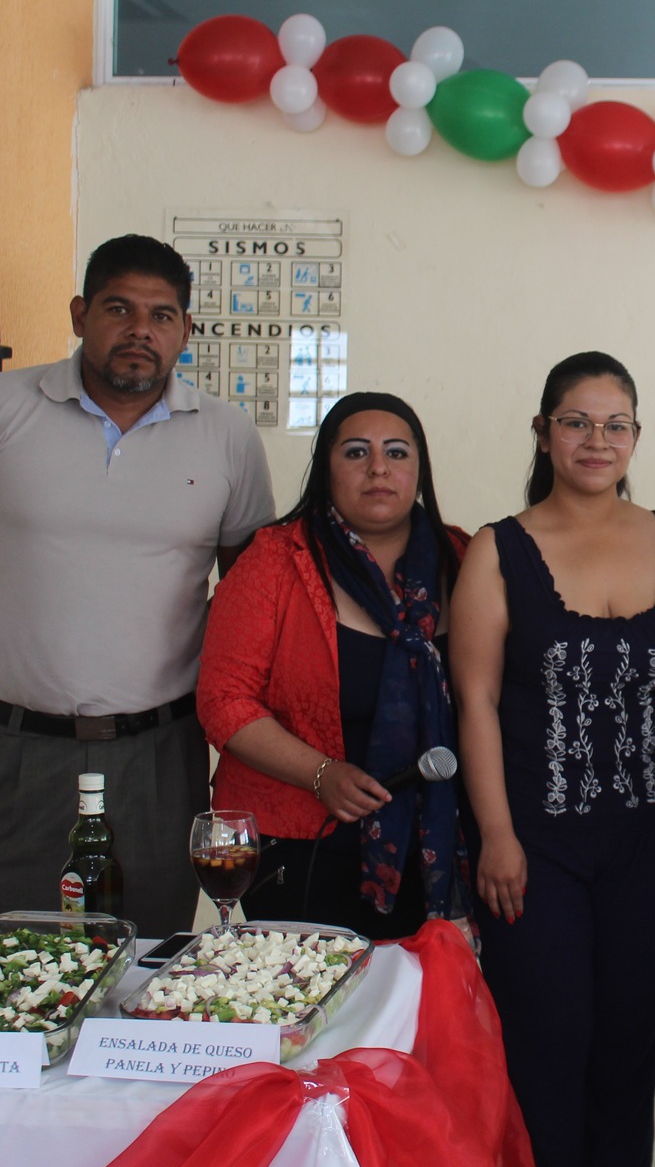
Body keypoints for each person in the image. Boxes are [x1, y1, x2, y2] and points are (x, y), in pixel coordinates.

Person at [0, 234, 274, 937]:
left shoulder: (227, 435)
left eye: (162, 315)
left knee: (142, 961)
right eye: (119, 308)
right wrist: (20, 650)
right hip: (21, 748)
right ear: (81, 313)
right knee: (8, 957)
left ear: (186, 331)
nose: (140, 330)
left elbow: (246, 599)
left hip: (157, 752)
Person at [448, 351, 655, 1167]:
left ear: (636, 437)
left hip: (654, 843)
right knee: (545, 1051)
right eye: (577, 421)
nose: (598, 439)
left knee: (629, 1056)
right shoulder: (499, 549)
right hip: (534, 849)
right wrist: (494, 832)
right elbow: (476, 701)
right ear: (544, 431)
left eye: (615, 424)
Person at [196, 392, 472, 938]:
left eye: (397, 453)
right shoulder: (274, 559)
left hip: (435, 836)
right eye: (355, 453)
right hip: (300, 841)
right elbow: (223, 701)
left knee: (415, 1007)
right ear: (326, 468)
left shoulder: (462, 558)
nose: (377, 468)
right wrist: (320, 774)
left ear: (420, 469)